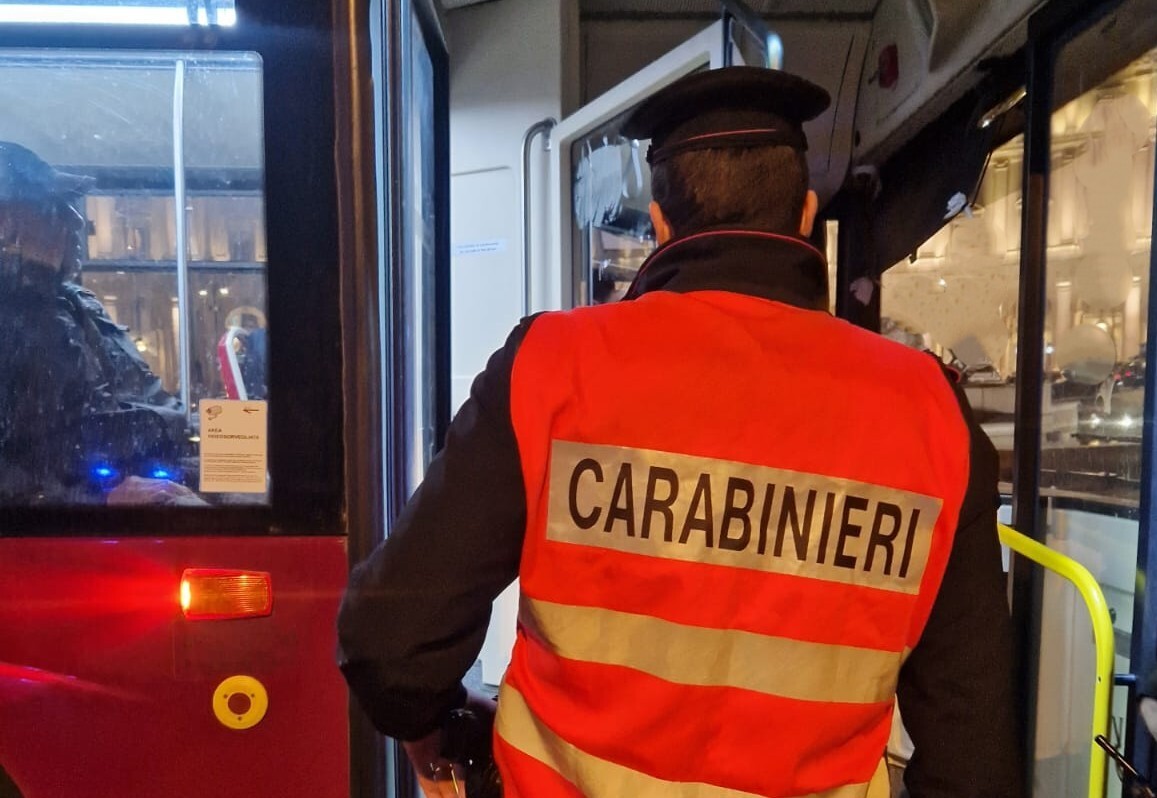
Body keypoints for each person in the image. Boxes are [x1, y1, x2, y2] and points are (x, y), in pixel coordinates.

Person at [338, 67, 1023, 797]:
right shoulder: (929, 413)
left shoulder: (552, 367)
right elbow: (972, 761)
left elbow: (390, 641)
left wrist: (442, 728)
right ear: (804, 216)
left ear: (661, 224)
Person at [0, 141, 191, 505]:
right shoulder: (12, 320)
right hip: (71, 526)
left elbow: (149, 404)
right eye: (53, 208)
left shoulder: (81, 306)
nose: (76, 221)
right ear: (5, 222)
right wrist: (97, 503)